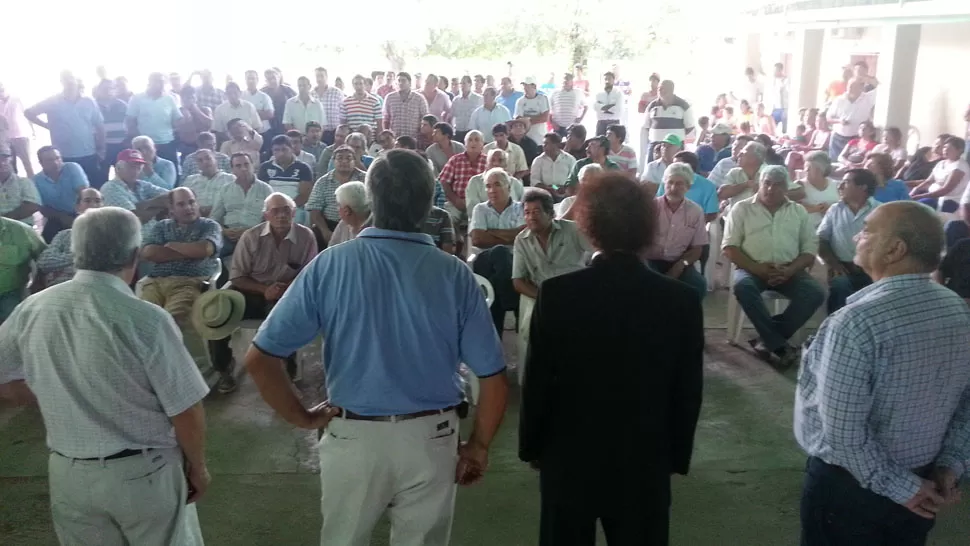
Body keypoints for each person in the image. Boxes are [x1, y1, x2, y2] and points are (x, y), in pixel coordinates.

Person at [245, 149, 509, 545]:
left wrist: (302, 417)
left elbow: (260, 359)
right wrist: (479, 446)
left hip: (354, 437)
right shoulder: (454, 273)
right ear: (429, 201)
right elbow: (493, 378)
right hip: (432, 437)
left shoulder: (330, 265)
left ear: (371, 201)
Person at [0, 206, 210, 544]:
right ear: (133, 256)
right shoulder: (146, 318)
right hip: (143, 473)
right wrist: (198, 467)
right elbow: (185, 408)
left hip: (69, 474)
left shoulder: (33, 308)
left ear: (76, 252)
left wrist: (49, 394)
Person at [519, 172, 703, 546]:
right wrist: (675, 456)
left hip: (568, 456)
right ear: (646, 227)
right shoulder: (680, 300)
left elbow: (537, 380)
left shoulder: (557, 295)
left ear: (589, 226)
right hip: (645, 458)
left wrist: (533, 447)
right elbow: (687, 391)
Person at [797, 200, 970, 545]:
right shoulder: (955, 308)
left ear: (894, 249)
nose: (859, 236)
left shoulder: (856, 323)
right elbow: (965, 403)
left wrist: (903, 489)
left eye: (868, 230)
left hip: (852, 489)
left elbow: (844, 435)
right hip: (925, 481)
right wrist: (950, 465)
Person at [206, 192, 317, 393]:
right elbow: (237, 277)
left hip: (288, 293)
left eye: (286, 211)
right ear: (266, 215)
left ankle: (287, 368)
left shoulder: (305, 236)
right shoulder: (251, 237)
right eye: (275, 211)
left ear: (294, 213)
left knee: (285, 314)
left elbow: (310, 273)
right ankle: (223, 368)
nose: (281, 215)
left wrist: (284, 289)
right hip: (252, 291)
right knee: (216, 315)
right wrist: (265, 290)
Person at [722, 165, 824, 368]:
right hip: (751, 267)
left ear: (786, 188)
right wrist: (757, 268)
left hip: (789, 269)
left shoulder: (798, 212)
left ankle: (767, 341)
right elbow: (729, 248)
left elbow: (809, 249)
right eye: (766, 183)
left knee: (815, 293)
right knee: (743, 287)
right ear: (760, 184)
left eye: (777, 185)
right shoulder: (742, 208)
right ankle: (778, 345)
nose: (770, 189)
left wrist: (790, 270)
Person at [140, 187, 223, 381]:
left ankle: (199, 372)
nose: (189, 207)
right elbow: (148, 253)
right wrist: (189, 251)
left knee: (173, 319)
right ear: (171, 209)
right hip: (155, 282)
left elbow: (206, 248)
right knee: (143, 320)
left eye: (192, 202)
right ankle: (157, 371)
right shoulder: (161, 227)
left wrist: (171, 247)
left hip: (189, 282)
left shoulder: (209, 226)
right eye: (181, 204)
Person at [24, 71, 106, 185]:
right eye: (65, 79)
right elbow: (28, 113)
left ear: (77, 80)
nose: (69, 81)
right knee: (69, 188)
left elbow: (100, 126)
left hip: (88, 154)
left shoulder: (89, 101)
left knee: (92, 187)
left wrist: (102, 150)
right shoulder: (52, 101)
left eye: (71, 78)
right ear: (61, 82)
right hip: (63, 156)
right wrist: (47, 126)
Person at [816, 168, 879, 313]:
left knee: (874, 297)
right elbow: (821, 239)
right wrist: (834, 264)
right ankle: (833, 331)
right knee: (840, 287)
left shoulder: (879, 210)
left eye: (846, 182)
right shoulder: (835, 209)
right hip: (842, 268)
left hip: (872, 269)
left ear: (862, 187)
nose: (840, 186)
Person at [646, 163, 709, 299]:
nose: (673, 188)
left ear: (688, 187)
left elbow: (697, 248)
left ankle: (685, 319)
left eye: (679, 184)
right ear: (664, 184)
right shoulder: (651, 207)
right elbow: (638, 241)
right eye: (670, 183)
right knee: (650, 285)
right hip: (650, 260)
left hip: (679, 261)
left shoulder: (695, 211)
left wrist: (681, 264)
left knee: (698, 285)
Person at [36, 188, 103, 286]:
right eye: (87, 201)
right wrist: (82, 256)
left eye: (97, 201)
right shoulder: (64, 235)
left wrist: (63, 263)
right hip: (60, 288)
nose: (93, 205)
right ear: (78, 207)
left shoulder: (110, 235)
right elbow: (44, 262)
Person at [32, 146, 90, 242]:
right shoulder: (36, 180)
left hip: (81, 212)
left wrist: (79, 216)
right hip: (56, 217)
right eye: (49, 160)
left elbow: (84, 194)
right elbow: (42, 209)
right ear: (41, 163)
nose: (55, 163)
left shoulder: (72, 167)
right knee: (45, 242)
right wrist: (62, 217)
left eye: (58, 158)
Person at [125, 73, 182, 167]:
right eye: (158, 81)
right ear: (150, 82)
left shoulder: (169, 99)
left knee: (170, 173)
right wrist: (138, 142)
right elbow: (130, 121)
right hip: (144, 146)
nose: (161, 84)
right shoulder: (137, 98)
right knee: (145, 173)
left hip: (167, 143)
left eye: (163, 82)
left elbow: (177, 120)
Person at [0, 213, 45, 322]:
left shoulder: (22, 231)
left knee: (15, 327)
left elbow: (46, 260)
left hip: (11, 293)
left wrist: (38, 287)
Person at [642, 80, 695, 172]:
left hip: (675, 145)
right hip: (655, 144)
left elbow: (690, 126)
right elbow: (646, 126)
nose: (660, 90)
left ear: (671, 89)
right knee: (652, 170)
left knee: (677, 170)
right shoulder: (652, 105)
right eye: (659, 88)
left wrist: (675, 137)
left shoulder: (683, 105)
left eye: (663, 88)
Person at [910, 136, 969, 213]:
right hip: (932, 196)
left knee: (915, 207)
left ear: (960, 151)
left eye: (950, 148)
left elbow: (945, 190)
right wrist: (916, 189)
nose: (945, 150)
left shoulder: (960, 167)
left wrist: (920, 196)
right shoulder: (941, 163)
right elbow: (929, 181)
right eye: (944, 147)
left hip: (948, 201)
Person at [826, 78, 877, 159]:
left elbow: (880, 86)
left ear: (861, 87)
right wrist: (839, 121)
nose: (850, 89)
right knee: (834, 163)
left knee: (851, 163)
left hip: (856, 139)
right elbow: (828, 118)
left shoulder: (868, 98)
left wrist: (864, 76)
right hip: (837, 138)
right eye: (849, 86)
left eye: (854, 86)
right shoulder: (839, 100)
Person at [789, 151, 841, 228]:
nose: (805, 170)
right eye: (805, 167)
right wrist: (814, 208)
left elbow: (844, 209)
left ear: (820, 170)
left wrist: (830, 209)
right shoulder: (799, 185)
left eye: (809, 168)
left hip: (832, 229)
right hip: (807, 229)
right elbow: (791, 208)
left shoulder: (837, 185)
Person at [181, 149, 235, 216]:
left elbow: (234, 202)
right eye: (200, 160)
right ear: (197, 164)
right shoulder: (190, 180)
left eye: (208, 158)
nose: (205, 162)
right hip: (195, 218)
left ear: (215, 159)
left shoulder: (230, 179)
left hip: (223, 217)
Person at [382, 72, 429, 140]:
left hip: (413, 138)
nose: (400, 83)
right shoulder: (390, 98)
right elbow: (386, 118)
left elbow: (425, 118)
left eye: (403, 80)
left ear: (410, 83)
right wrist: (387, 134)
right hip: (394, 139)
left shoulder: (419, 98)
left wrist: (421, 135)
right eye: (399, 81)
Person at [717, 141, 766, 206]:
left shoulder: (768, 174)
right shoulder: (735, 172)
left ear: (754, 158)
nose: (738, 155)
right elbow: (722, 194)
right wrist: (745, 185)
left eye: (743, 153)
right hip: (733, 214)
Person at [514, 77, 551, 146]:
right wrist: (536, 118)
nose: (525, 88)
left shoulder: (543, 99)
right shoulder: (520, 101)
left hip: (540, 138)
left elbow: (545, 117)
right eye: (524, 85)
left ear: (534, 86)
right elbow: (519, 119)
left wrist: (527, 120)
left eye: (527, 85)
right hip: (525, 138)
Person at [593, 72, 623, 137]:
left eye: (609, 79)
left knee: (613, 145)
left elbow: (617, 109)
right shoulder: (598, 93)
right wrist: (610, 107)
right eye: (605, 79)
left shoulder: (618, 93)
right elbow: (595, 107)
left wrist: (601, 108)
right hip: (601, 123)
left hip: (614, 124)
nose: (607, 81)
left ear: (613, 80)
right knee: (599, 144)